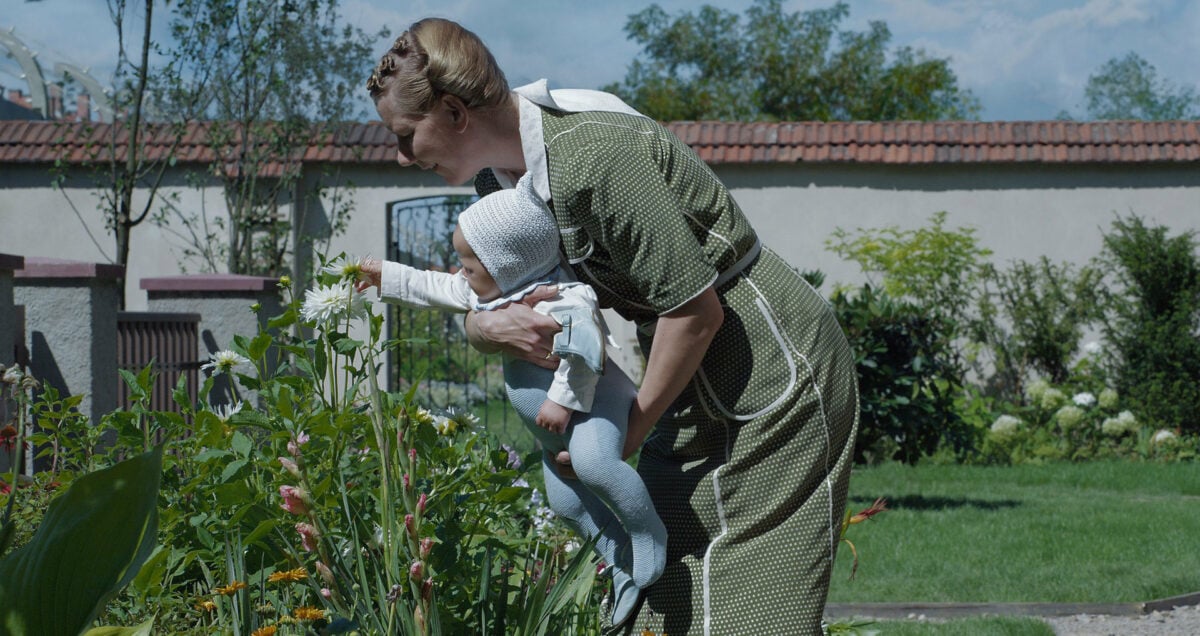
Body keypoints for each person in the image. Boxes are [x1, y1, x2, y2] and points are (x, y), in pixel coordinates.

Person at [365, 17, 860, 635]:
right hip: (682, 370)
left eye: (408, 135)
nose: (405, 156)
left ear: (455, 112)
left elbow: (695, 312)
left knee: (751, 604)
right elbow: (494, 298)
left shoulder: (595, 157)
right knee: (660, 581)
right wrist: (483, 331)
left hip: (765, 360)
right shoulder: (498, 183)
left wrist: (631, 430)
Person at [358, 175, 666, 628]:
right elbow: (434, 286)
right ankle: (618, 558)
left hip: (592, 408)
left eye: (469, 264)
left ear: (506, 263)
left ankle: (647, 534)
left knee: (598, 465)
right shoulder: (492, 292)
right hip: (551, 432)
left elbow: (586, 351)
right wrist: (385, 275)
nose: (460, 271)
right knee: (566, 504)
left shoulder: (565, 298)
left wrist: (561, 402)